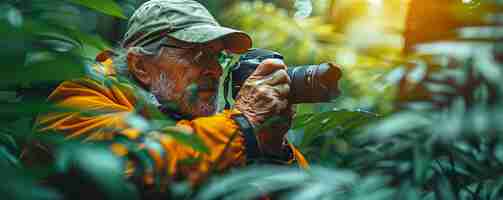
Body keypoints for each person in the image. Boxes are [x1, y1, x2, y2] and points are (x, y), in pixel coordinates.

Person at [32, 0, 308, 195]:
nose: (214, 69)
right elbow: (138, 167)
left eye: (218, 56)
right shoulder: (79, 100)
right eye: (198, 54)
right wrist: (244, 126)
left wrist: (272, 148)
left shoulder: (198, 123)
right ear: (140, 66)